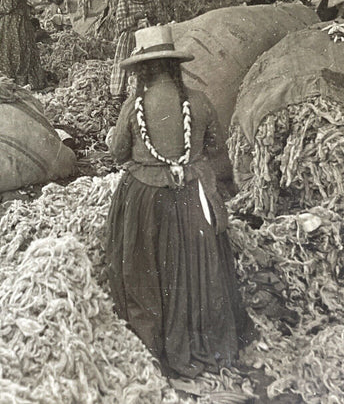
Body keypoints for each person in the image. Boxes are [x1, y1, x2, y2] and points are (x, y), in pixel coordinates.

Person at [105, 24, 255, 381]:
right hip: (194, 198)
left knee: (145, 268)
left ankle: (155, 340)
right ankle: (205, 338)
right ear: (174, 66)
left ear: (142, 69)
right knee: (197, 269)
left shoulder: (135, 105)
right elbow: (218, 152)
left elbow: (116, 153)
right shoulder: (200, 102)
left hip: (146, 199)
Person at [110, 0, 168, 101]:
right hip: (131, 38)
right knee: (127, 65)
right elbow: (119, 24)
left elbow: (163, 19)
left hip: (150, 37)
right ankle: (120, 94)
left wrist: (152, 17)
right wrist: (135, 17)